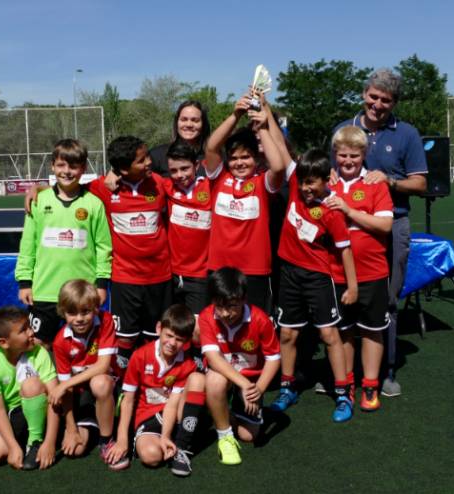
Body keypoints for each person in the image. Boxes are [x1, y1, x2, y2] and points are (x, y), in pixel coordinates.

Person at [332, 69, 427, 396]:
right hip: (345, 227)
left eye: (385, 100)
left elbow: (421, 183)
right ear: (364, 95)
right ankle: (344, 375)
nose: (377, 104)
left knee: (387, 299)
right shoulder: (343, 129)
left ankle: (386, 372)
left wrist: (390, 181)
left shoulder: (407, 133)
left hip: (391, 223)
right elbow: (330, 171)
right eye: (373, 97)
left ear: (394, 102)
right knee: (343, 298)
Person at [269, 149, 358, 423]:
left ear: (325, 180)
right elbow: (281, 148)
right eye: (303, 182)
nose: (306, 188)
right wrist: (263, 123)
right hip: (289, 274)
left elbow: (345, 250)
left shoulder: (331, 210)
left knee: (329, 334)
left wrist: (352, 287)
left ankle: (343, 393)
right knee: (287, 334)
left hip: (317, 277)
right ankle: (287, 388)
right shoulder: (296, 189)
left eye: (312, 182)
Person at [15, 138, 112, 345]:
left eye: (73, 166)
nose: (67, 171)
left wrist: (101, 285)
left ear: (83, 168)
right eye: (61, 165)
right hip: (44, 291)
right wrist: (25, 282)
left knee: (84, 346)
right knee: (37, 345)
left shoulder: (94, 204)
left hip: (82, 291)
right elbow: (28, 244)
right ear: (52, 166)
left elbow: (104, 248)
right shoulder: (38, 201)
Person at [86, 136, 172, 369]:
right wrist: (38, 188)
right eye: (141, 160)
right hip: (125, 278)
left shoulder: (159, 183)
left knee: (156, 335)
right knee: (125, 338)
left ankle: (152, 379)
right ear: (124, 169)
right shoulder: (103, 187)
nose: (149, 162)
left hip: (160, 277)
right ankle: (122, 381)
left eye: (147, 156)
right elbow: (71, 189)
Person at [326, 126, 394, 412]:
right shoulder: (327, 183)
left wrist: (349, 211)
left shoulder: (375, 184)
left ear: (364, 154)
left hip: (372, 271)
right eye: (342, 155)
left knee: (372, 330)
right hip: (336, 272)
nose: (348, 161)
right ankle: (347, 384)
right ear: (335, 154)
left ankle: (370, 385)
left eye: (354, 155)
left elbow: (385, 225)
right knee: (343, 331)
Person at [203, 91, 288, 313]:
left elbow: (279, 166)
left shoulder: (262, 183)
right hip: (219, 267)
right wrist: (236, 115)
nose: (239, 163)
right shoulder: (219, 178)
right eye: (233, 158)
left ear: (256, 159)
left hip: (254, 269)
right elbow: (211, 147)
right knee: (221, 321)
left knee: (255, 325)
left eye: (246, 157)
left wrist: (263, 128)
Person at [105, 304, 206, 477]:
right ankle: (163, 441)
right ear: (159, 328)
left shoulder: (187, 363)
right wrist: (122, 440)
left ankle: (181, 447)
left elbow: (173, 404)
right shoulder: (140, 356)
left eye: (179, 339)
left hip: (173, 415)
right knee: (151, 456)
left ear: (187, 340)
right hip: (148, 415)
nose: (172, 343)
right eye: (169, 335)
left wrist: (165, 435)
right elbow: (127, 401)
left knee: (198, 379)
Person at [199, 267, 280, 465]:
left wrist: (258, 389)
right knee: (215, 380)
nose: (226, 313)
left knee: (248, 436)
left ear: (244, 299)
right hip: (228, 377)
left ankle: (218, 410)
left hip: (252, 379)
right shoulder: (206, 316)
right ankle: (225, 437)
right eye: (219, 306)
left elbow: (274, 358)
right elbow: (213, 358)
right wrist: (245, 385)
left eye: (232, 306)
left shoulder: (260, 319)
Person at [46, 280, 127, 470]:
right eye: (72, 313)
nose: (79, 319)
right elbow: (67, 392)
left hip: (108, 384)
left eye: (85, 312)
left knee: (100, 382)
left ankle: (106, 440)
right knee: (75, 450)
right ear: (63, 312)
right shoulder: (60, 342)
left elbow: (103, 366)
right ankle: (92, 422)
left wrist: (64, 384)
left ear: (96, 309)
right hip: (81, 393)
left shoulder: (105, 321)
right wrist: (71, 428)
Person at [0, 306, 60, 471]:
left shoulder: (39, 352)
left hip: (44, 407)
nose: (31, 332)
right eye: (23, 330)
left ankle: (35, 442)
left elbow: (55, 397)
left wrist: (50, 442)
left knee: (31, 385)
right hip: (17, 413)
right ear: (4, 342)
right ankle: (24, 440)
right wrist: (12, 447)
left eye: (29, 326)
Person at [162, 140, 213, 315]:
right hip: (171, 274)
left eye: (185, 168)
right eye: (173, 170)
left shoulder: (211, 187)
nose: (179, 175)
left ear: (196, 165)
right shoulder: (166, 187)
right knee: (173, 325)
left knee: (198, 327)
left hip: (200, 275)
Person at [149, 100, 211, 176]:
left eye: (195, 120)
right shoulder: (156, 156)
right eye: (184, 119)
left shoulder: (215, 157)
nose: (189, 124)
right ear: (177, 123)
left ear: (203, 125)